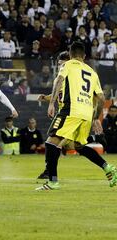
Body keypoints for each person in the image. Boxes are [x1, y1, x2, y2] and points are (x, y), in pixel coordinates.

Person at [36, 42, 117, 190]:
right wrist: (94, 119)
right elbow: (102, 99)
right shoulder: (92, 72)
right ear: (84, 56)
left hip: (71, 110)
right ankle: (108, 168)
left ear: (71, 54)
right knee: (79, 146)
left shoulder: (67, 65)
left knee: (51, 142)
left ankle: (53, 181)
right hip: (86, 114)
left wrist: (51, 103)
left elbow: (59, 81)